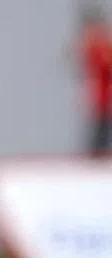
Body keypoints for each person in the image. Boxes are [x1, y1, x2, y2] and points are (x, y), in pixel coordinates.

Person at [78, 4, 112, 156]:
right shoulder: (96, 48)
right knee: (100, 135)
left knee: (101, 135)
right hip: (100, 102)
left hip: (103, 101)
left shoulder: (100, 47)